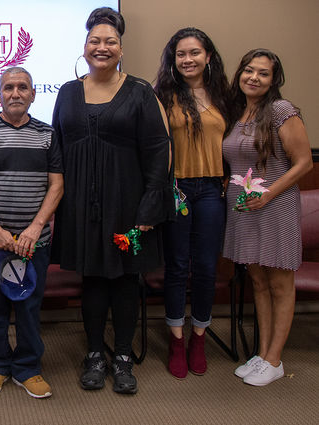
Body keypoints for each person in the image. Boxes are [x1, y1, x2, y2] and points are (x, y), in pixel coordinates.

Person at [52, 7, 172, 394]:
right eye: (95, 41)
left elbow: (158, 152)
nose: (102, 47)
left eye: (110, 42)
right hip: (81, 208)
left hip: (129, 207)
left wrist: (150, 210)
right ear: (84, 47)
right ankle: (93, 354)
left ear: (121, 49)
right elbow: (57, 148)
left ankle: (122, 356)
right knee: (92, 281)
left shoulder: (140, 92)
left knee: (124, 280)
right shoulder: (68, 92)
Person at [0, 67, 63, 399]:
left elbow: (57, 185)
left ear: (33, 94)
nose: (15, 93)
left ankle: (28, 369)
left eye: (22, 87)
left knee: (29, 308)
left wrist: (35, 228)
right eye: (8, 88)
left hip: (34, 242)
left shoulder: (48, 134)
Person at [223, 49, 312, 386]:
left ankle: (275, 359)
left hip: (274, 206)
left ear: (274, 81)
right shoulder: (239, 111)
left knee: (279, 283)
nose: (254, 78)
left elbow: (303, 162)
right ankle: (262, 354)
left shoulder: (280, 110)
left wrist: (269, 193)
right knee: (258, 282)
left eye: (263, 73)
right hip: (245, 209)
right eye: (249, 70)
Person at [153, 28, 229, 379]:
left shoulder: (225, 96)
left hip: (213, 190)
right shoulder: (162, 95)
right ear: (174, 59)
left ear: (208, 56)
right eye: (180, 54)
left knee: (206, 268)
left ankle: (199, 337)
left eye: (194, 52)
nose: (187, 59)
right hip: (177, 189)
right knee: (178, 266)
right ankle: (177, 340)